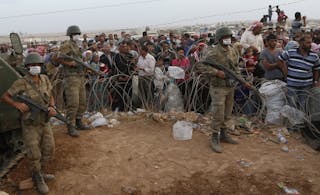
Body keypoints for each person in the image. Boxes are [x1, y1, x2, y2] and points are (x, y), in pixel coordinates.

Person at [1, 52, 56, 194]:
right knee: (34, 153)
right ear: (27, 67)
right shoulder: (22, 82)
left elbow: (50, 95)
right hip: (30, 124)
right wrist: (17, 105)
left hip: (44, 121)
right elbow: (5, 96)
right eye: (32, 65)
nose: (35, 67)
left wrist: (52, 107)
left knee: (49, 149)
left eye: (37, 64)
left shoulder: (45, 79)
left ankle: (41, 172)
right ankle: (37, 177)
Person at [194, 27, 249, 153]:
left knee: (227, 112)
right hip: (218, 87)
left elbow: (235, 69)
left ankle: (224, 134)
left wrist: (242, 81)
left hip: (230, 86)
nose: (227, 39)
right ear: (219, 39)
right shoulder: (213, 52)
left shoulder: (233, 50)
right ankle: (214, 137)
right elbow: (200, 65)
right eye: (225, 37)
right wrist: (216, 72)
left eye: (229, 37)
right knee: (218, 112)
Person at [56, 25, 90, 137]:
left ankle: (79, 121)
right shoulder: (66, 45)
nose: (77, 36)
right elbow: (58, 58)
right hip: (71, 77)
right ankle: (70, 125)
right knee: (73, 103)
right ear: (71, 35)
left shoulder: (77, 45)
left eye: (78, 34)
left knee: (82, 101)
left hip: (80, 76)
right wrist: (69, 63)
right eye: (76, 34)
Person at [278, 32, 320, 110]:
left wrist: (316, 81)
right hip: (292, 85)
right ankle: (293, 122)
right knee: (292, 105)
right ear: (301, 42)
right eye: (307, 43)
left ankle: (300, 121)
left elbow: (317, 69)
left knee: (303, 106)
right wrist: (285, 72)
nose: (310, 45)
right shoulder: (291, 52)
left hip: (306, 86)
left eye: (310, 42)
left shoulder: (314, 56)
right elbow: (280, 60)